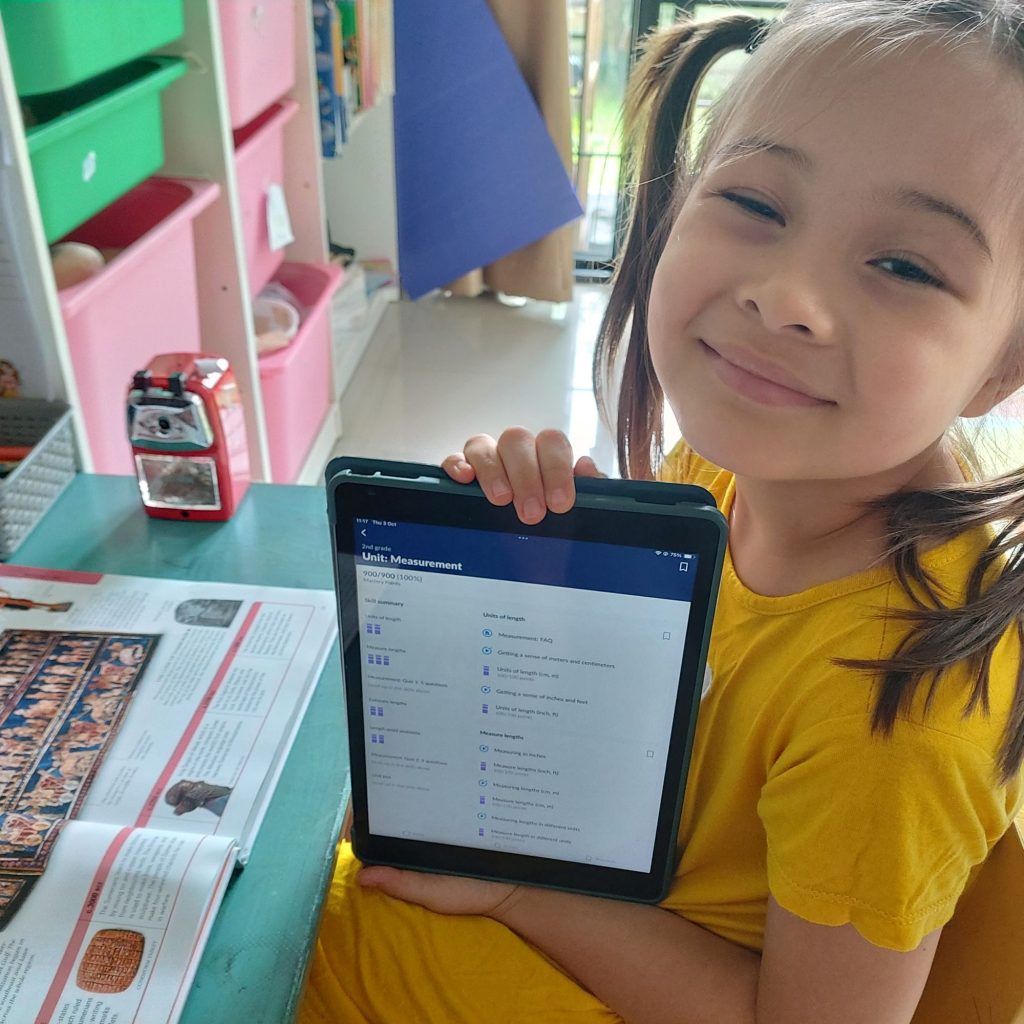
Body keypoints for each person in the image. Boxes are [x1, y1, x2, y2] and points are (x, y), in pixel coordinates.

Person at [299, 2, 1024, 1021]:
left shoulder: (899, 713)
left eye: (904, 265)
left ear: (1003, 365)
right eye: (756, 202)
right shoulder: (730, 473)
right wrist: (545, 565)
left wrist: (518, 891)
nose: (785, 296)